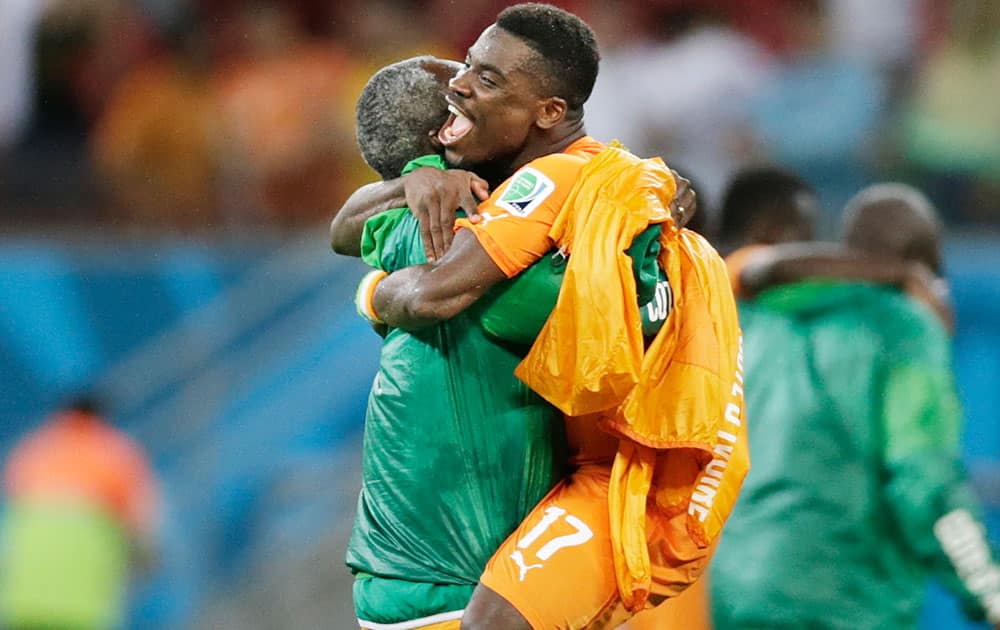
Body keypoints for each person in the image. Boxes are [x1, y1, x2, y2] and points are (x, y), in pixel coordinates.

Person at [335, 4, 746, 628]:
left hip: (480, 552)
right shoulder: (478, 192)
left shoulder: (558, 186)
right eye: (469, 66)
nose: (463, 85)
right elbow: (345, 227)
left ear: (550, 112)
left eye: (489, 78)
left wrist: (373, 295)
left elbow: (436, 295)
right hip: (436, 562)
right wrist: (414, 180)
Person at [710, 176, 1000, 629]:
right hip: (847, 598)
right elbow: (924, 481)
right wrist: (988, 586)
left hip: (737, 590)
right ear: (926, 269)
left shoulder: (759, 316)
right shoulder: (906, 328)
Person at [342, 56, 568, 630]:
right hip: (456, 582)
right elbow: (587, 311)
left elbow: (343, 227)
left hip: (404, 574)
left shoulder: (407, 209)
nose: (477, 91)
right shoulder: (457, 214)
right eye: (468, 90)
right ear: (449, 129)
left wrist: (372, 294)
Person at [0, 396, 160, 630]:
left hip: (22, 599)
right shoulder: (117, 453)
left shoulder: (33, 450)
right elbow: (143, 526)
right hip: (83, 603)